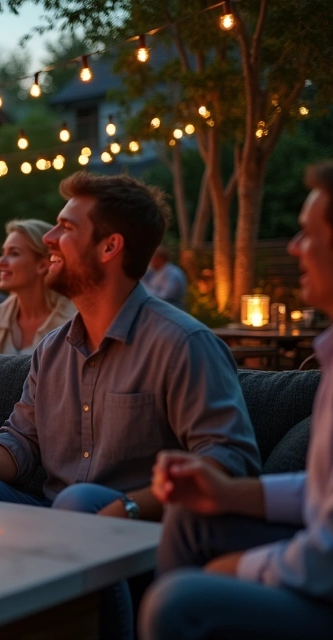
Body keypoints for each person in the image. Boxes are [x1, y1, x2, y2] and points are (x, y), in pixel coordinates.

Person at [0, 172, 261, 639]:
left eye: (65, 228)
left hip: (142, 533)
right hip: (55, 518)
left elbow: (230, 461)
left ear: (110, 247)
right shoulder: (52, 350)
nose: (49, 239)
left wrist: (126, 507)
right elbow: (20, 443)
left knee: (81, 499)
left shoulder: (182, 343)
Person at [139, 162, 333, 639]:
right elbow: (323, 496)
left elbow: (325, 556)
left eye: (307, 235)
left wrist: (240, 568)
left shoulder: (181, 338)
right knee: (190, 519)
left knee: (179, 601)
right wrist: (228, 494)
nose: (293, 248)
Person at [0, 219, 76, 355]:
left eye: (14, 253)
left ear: (43, 264)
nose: (0, 262)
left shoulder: (74, 321)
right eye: (3, 253)